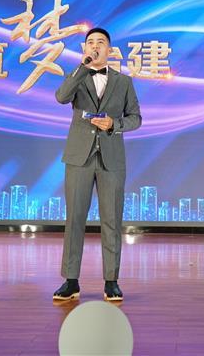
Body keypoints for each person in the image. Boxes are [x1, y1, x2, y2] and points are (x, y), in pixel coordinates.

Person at [52, 28, 141, 302]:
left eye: (100, 42)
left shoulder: (123, 81)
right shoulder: (77, 76)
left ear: (110, 49)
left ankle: (111, 281)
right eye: (90, 42)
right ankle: (70, 281)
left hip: (111, 158)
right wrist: (82, 67)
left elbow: (136, 118)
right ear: (84, 48)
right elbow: (61, 97)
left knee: (111, 220)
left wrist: (114, 124)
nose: (95, 46)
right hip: (79, 157)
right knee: (74, 219)